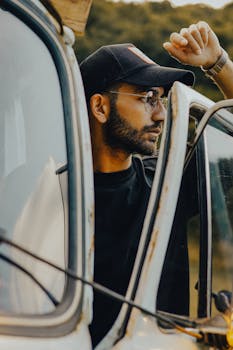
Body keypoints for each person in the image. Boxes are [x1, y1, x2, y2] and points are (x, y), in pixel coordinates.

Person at [80, 21, 233, 347]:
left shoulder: (166, 182)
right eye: (148, 97)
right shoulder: (53, 195)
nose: (162, 115)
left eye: (162, 100)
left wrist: (218, 63)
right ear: (100, 107)